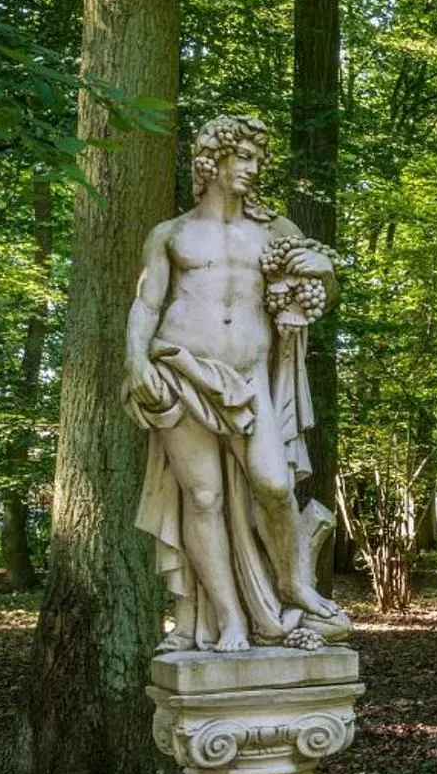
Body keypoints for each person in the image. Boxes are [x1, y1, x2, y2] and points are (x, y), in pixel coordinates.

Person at [126, 114, 351, 651]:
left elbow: (318, 294)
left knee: (274, 486)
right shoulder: (172, 235)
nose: (252, 169)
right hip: (182, 374)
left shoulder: (275, 234)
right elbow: (147, 302)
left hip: (250, 383)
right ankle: (228, 619)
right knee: (202, 497)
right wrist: (137, 362)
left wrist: (321, 272)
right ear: (212, 161)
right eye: (242, 158)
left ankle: (292, 581)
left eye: (256, 159)